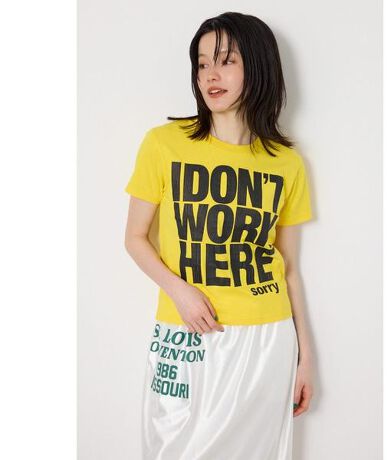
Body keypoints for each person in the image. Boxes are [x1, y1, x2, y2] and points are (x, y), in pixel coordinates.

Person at [124, 11, 315, 460]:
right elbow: (134, 237)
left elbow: (288, 269)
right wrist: (181, 292)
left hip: (265, 337)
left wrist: (305, 357)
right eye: (203, 63)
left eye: (227, 61)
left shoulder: (286, 163)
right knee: (171, 448)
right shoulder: (164, 143)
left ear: (258, 67)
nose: (211, 74)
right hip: (185, 329)